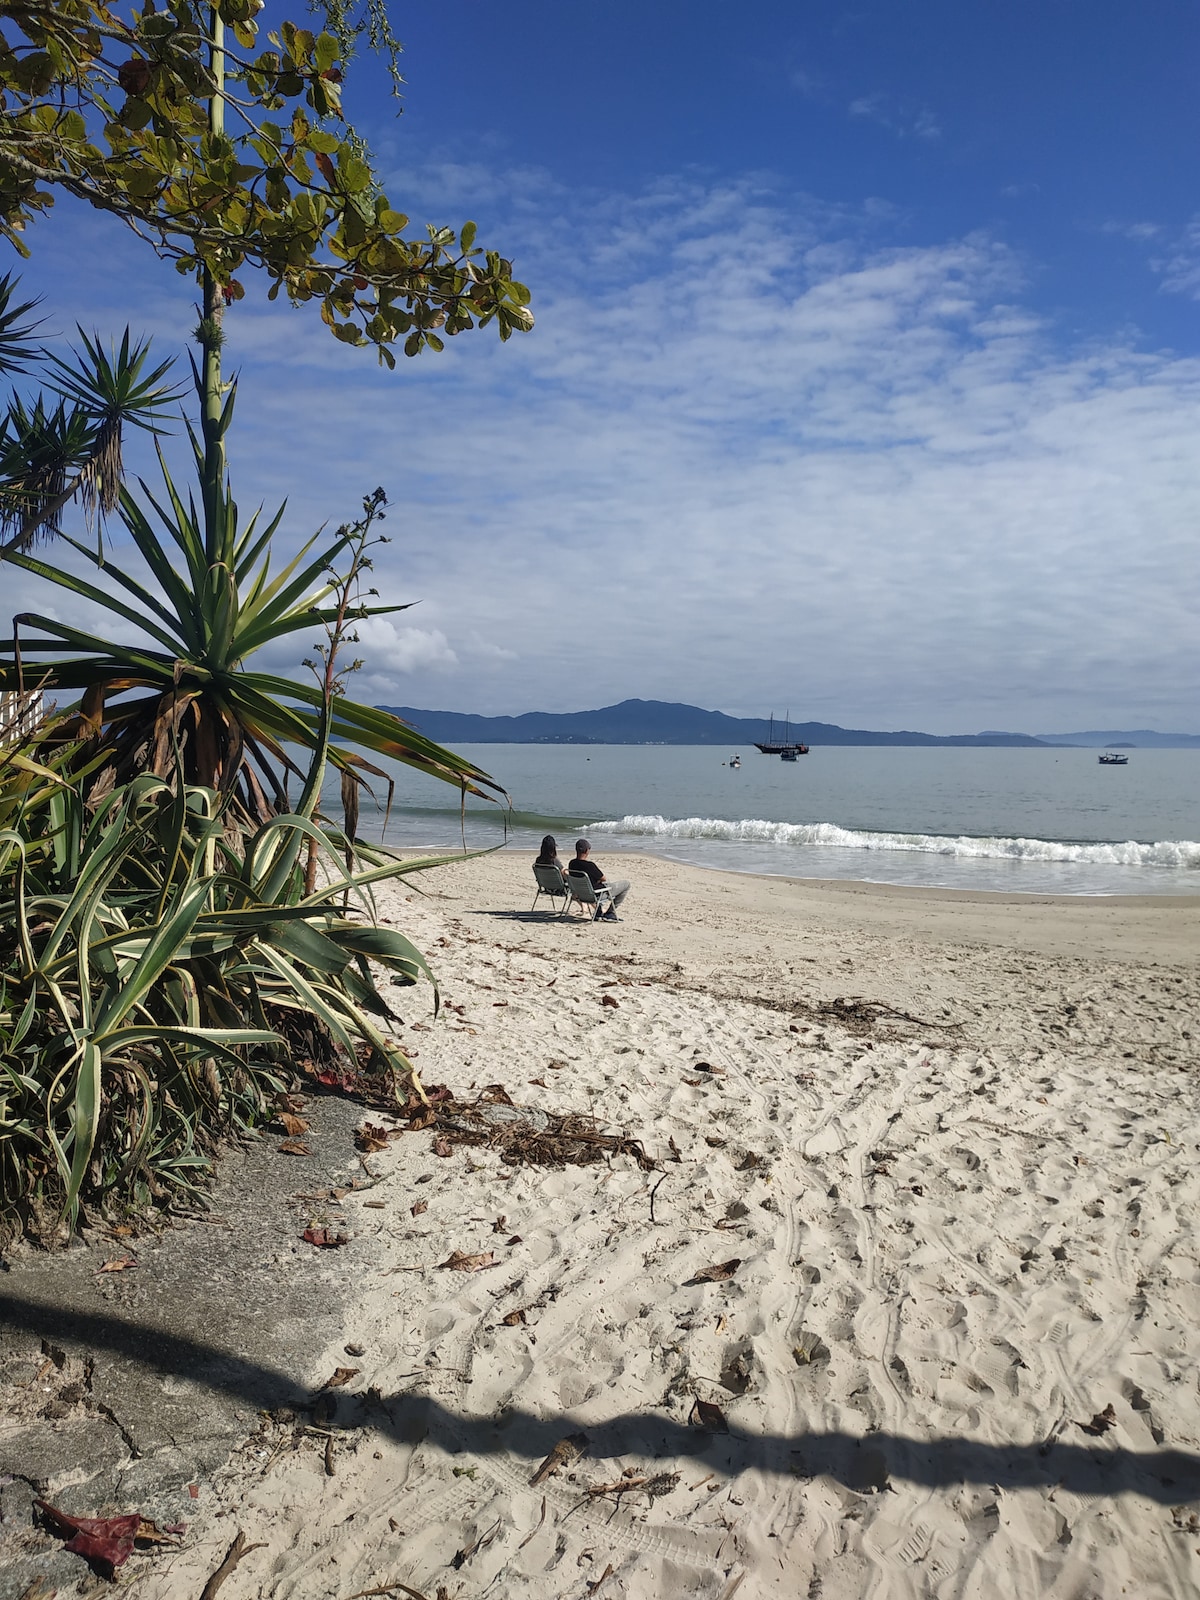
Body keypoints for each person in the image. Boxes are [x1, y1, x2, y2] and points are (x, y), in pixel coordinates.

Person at [567, 838, 630, 920]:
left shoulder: (572, 863)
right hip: (595, 895)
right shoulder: (590, 865)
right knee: (626, 884)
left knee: (600, 884)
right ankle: (610, 912)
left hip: (581, 894)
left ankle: (599, 911)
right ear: (587, 851)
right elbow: (603, 878)